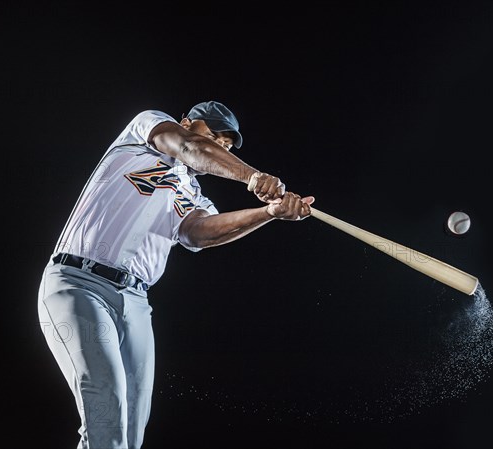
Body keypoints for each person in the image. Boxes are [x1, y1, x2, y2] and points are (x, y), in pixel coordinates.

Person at [37, 101, 315, 449]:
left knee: (130, 433)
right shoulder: (147, 131)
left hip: (136, 303)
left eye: (226, 146)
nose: (220, 147)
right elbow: (189, 147)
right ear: (187, 122)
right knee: (106, 407)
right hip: (79, 283)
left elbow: (198, 233)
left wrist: (269, 212)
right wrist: (253, 176)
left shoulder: (192, 194)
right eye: (214, 136)